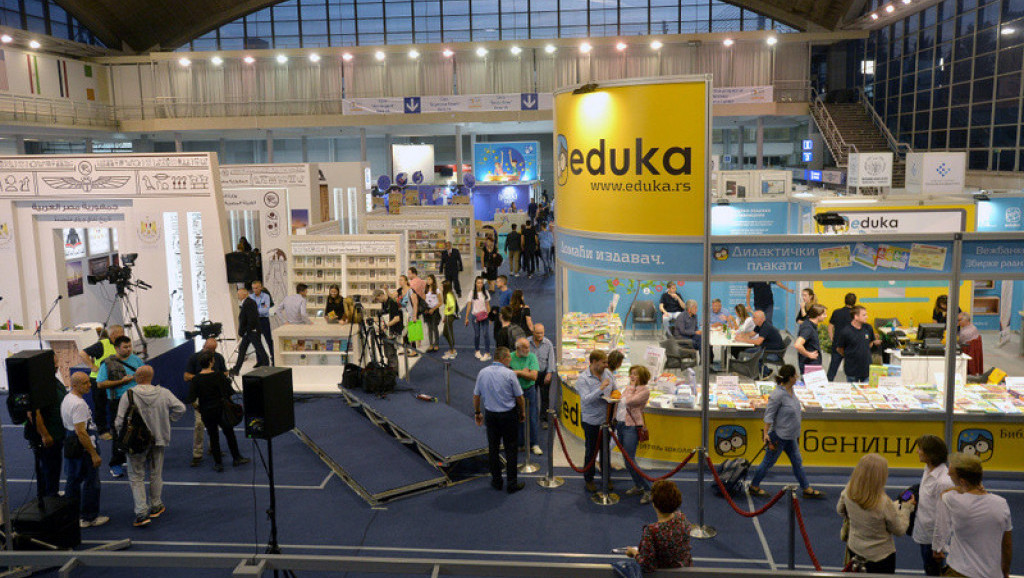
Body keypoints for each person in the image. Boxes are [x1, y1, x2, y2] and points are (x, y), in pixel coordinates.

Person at [114, 365, 186, 527]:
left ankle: (141, 512)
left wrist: (122, 436)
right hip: (158, 439)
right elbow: (181, 408)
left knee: (136, 476)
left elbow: (119, 420)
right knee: (156, 473)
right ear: (151, 377)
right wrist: (169, 420)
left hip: (136, 443)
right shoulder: (164, 393)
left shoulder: (129, 394)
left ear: (137, 378)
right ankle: (156, 505)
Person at [748, 364, 824, 498]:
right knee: (768, 463)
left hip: (791, 436)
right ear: (790, 378)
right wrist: (766, 434)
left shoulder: (791, 391)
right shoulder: (777, 395)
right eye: (795, 375)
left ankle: (806, 488)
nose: (797, 377)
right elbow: (769, 415)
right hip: (778, 436)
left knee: (797, 462)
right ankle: (754, 486)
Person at [932, 453, 1013, 578]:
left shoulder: (954, 500)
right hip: (993, 574)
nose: (948, 474)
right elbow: (1007, 545)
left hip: (959, 572)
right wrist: (1005, 570)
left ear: (962, 481)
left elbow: (944, 493)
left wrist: (960, 489)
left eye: (951, 473)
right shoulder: (1002, 504)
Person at [837, 453, 915, 573]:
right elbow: (899, 530)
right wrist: (906, 508)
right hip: (881, 558)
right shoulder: (884, 502)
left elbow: (841, 511)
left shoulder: (848, 491)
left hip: (855, 550)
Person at [473, 346, 526, 494]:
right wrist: (522, 412)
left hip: (491, 416)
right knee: (511, 449)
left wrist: (478, 412)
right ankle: (511, 483)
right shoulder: (509, 374)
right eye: (509, 358)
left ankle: (496, 481)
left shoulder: (482, 373)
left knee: (493, 449)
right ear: (504, 358)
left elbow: (476, 396)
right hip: (508, 416)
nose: (510, 360)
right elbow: (519, 397)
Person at [188, 351, 251, 474]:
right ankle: (236, 457)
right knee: (229, 433)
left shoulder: (196, 379)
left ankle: (218, 463)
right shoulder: (218, 376)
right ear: (211, 362)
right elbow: (229, 393)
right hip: (221, 409)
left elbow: (191, 399)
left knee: (213, 436)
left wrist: (198, 408)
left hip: (206, 411)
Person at [61, 372, 110, 528]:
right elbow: (81, 432)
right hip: (82, 443)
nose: (90, 385)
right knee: (91, 481)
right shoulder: (79, 404)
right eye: (85, 383)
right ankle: (89, 517)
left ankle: (71, 514)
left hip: (70, 441)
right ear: (75, 385)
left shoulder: (68, 398)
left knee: (73, 479)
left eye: (89, 381)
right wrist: (93, 453)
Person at [97, 335, 144, 478]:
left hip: (136, 400)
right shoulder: (108, 364)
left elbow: (144, 375)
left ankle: (132, 458)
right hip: (117, 401)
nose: (129, 349)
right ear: (117, 348)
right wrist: (122, 382)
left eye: (130, 346)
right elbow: (100, 384)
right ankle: (115, 463)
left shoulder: (136, 360)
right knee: (118, 432)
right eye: (125, 347)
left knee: (137, 430)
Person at [625, 480, 693, 571]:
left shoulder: (651, 531)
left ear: (654, 504)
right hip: (686, 571)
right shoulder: (682, 517)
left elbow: (646, 565)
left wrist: (634, 553)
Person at [912, 434, 955, 576]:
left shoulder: (943, 482)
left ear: (930, 455)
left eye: (920, 449)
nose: (917, 451)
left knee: (934, 573)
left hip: (932, 540)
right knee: (928, 569)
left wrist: (938, 547)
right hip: (923, 533)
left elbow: (944, 517)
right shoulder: (927, 469)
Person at [183, 338, 228, 468]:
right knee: (199, 424)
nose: (208, 351)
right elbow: (186, 376)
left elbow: (224, 372)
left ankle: (213, 448)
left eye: (211, 350)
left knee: (214, 424)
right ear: (203, 346)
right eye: (206, 348)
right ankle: (197, 454)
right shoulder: (194, 358)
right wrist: (204, 378)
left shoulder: (219, 358)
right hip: (200, 394)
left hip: (215, 395)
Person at [79, 324, 125, 438]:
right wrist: (92, 366)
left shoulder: (121, 345)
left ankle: (116, 429)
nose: (124, 336)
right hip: (99, 380)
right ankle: (102, 431)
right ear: (113, 334)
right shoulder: (102, 345)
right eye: (121, 333)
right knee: (101, 406)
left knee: (116, 405)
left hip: (115, 381)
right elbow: (83, 353)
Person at [615, 364, 652, 504]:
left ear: (641, 376)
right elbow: (620, 401)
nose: (632, 376)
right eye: (631, 373)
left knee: (630, 459)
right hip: (620, 424)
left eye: (635, 374)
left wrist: (631, 387)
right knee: (626, 459)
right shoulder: (629, 388)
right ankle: (638, 485)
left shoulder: (644, 391)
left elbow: (628, 400)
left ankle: (648, 489)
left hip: (631, 426)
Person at [25, 376, 66, 499]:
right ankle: (48, 496)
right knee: (48, 466)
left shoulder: (55, 381)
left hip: (57, 432)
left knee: (55, 465)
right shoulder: (38, 385)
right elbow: (33, 413)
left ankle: (52, 491)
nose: (56, 367)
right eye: (53, 365)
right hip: (46, 435)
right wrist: (45, 434)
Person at [576, 350, 612, 493]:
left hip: (606, 420)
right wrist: (601, 388)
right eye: (603, 362)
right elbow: (585, 399)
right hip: (591, 421)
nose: (606, 365)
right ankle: (589, 479)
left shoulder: (608, 374)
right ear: (594, 362)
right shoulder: (583, 379)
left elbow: (614, 388)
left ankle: (606, 477)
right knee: (591, 450)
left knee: (606, 451)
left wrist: (616, 394)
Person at [833, 305, 880, 383]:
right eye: (864, 315)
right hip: (852, 370)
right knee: (853, 393)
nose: (867, 317)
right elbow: (839, 348)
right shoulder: (845, 331)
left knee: (867, 392)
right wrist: (850, 355)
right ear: (856, 316)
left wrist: (863, 351)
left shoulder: (868, 328)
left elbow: (871, 342)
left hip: (866, 369)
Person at [510, 338, 540, 454]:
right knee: (517, 417)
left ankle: (534, 443)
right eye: (525, 347)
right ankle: (520, 443)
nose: (528, 350)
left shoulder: (532, 357)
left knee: (532, 416)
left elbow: (534, 377)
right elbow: (507, 375)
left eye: (528, 347)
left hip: (529, 390)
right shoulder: (510, 357)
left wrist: (518, 372)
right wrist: (525, 372)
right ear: (518, 348)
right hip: (514, 392)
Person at [230, 287, 269, 376]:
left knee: (259, 349)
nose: (238, 296)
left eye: (239, 294)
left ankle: (267, 366)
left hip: (251, 331)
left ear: (244, 294)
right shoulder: (247, 303)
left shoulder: (249, 303)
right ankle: (236, 369)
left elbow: (251, 319)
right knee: (242, 349)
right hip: (248, 332)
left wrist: (247, 330)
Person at [735, 310, 785, 375]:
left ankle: (765, 374)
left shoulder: (766, 327)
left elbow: (758, 342)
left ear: (761, 319)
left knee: (750, 356)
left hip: (773, 353)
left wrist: (742, 340)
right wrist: (741, 335)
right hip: (767, 349)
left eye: (754, 317)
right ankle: (765, 370)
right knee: (746, 351)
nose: (752, 319)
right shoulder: (759, 325)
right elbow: (751, 334)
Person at [529, 323, 556, 428]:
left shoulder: (548, 343)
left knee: (545, 398)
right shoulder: (527, 342)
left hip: (544, 374)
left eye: (542, 333)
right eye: (538, 333)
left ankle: (543, 419)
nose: (540, 335)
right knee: (532, 397)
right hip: (531, 374)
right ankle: (532, 418)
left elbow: (551, 360)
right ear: (533, 333)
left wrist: (549, 373)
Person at [827, 293, 857, 382]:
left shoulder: (836, 312)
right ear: (855, 302)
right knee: (852, 369)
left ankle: (828, 383)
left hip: (837, 343)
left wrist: (832, 338)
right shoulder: (855, 314)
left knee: (833, 367)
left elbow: (830, 327)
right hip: (851, 345)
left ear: (844, 300)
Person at [464, 276, 492, 361]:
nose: (480, 284)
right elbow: (469, 306)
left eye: (481, 282)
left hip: (484, 316)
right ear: (475, 283)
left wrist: (490, 317)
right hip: (475, 316)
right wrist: (466, 318)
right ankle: (477, 351)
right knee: (477, 334)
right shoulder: (472, 293)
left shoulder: (486, 292)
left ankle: (487, 353)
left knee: (485, 334)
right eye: (478, 282)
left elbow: (487, 305)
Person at [373, 288, 401, 369]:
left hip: (392, 331)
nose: (377, 301)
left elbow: (397, 318)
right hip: (387, 331)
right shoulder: (384, 303)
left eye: (377, 299)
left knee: (391, 354)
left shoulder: (391, 302)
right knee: (387, 354)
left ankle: (394, 374)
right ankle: (390, 372)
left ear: (381, 295)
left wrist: (386, 325)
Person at [794, 304, 827, 374]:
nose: (826, 316)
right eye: (824, 314)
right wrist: (809, 354)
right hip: (810, 364)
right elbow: (797, 345)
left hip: (810, 363)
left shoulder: (808, 323)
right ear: (818, 315)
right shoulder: (808, 328)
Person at [250, 280, 275, 366]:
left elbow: (264, 310)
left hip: (264, 320)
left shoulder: (265, 296)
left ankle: (274, 359)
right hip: (255, 321)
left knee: (268, 340)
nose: (255, 290)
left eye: (257, 288)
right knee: (257, 341)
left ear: (260, 287)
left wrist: (255, 310)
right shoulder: (251, 297)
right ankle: (259, 360)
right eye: (253, 288)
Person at [397, 275, 420, 357]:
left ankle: (414, 351)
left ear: (406, 281)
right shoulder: (400, 291)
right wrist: (386, 290)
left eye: (402, 280)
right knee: (405, 333)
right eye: (399, 280)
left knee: (412, 333)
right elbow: (393, 296)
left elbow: (415, 304)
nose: (400, 281)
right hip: (404, 315)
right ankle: (406, 349)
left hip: (410, 314)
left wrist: (414, 315)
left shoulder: (411, 291)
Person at [441, 280, 459, 360]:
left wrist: (448, 312)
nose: (441, 287)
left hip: (450, 316)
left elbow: (452, 305)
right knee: (445, 332)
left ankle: (452, 351)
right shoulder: (449, 294)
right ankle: (451, 348)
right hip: (448, 316)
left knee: (448, 332)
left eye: (442, 286)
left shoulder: (448, 295)